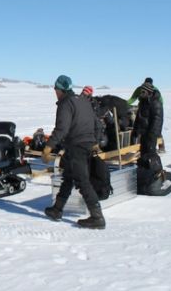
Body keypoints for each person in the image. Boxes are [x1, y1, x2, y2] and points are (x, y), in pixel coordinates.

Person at [42, 75, 105, 229]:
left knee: (82, 181)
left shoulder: (65, 104)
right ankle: (57, 209)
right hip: (83, 145)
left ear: (59, 89)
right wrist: (94, 142)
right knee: (68, 177)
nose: (55, 92)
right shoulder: (83, 101)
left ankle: (97, 217)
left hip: (76, 145)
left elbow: (62, 128)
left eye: (55, 89)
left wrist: (48, 147)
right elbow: (97, 123)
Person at [132, 81, 163, 155]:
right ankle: (143, 166)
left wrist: (152, 134)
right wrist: (135, 130)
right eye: (141, 91)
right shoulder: (143, 102)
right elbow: (138, 117)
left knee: (150, 154)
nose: (141, 93)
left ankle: (152, 166)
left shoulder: (156, 103)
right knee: (143, 153)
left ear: (149, 92)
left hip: (150, 135)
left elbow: (157, 120)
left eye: (143, 91)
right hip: (143, 133)